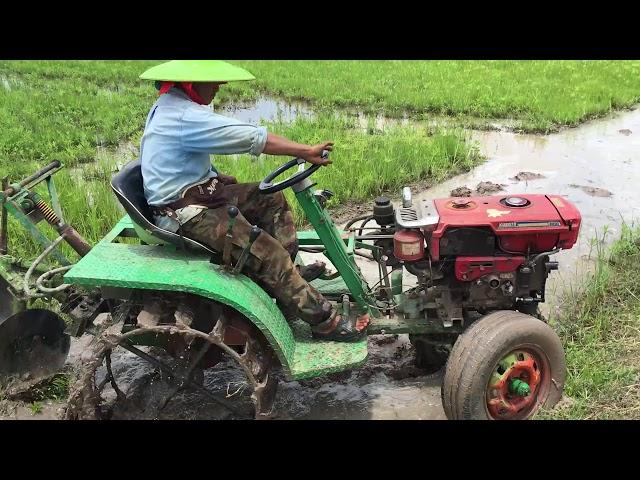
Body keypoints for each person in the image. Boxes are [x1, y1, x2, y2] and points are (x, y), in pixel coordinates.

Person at [138, 60, 369, 342]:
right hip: (186, 213)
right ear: (190, 84)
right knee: (270, 254)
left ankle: (287, 281)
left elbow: (178, 160)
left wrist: (214, 176)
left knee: (270, 197)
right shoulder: (183, 116)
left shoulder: (172, 105)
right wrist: (306, 150)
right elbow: (252, 137)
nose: (219, 86)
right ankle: (325, 322)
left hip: (197, 193)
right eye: (212, 81)